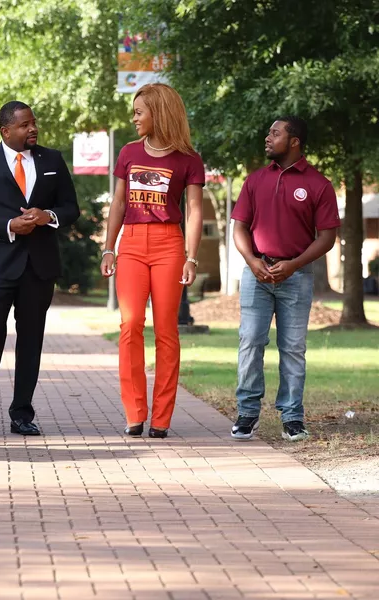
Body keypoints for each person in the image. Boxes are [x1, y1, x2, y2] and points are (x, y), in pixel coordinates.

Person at [0, 101, 80, 436]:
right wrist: (10, 225)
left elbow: (71, 208)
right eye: (25, 125)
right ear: (6, 131)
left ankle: (22, 415)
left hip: (39, 267)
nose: (33, 129)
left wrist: (49, 216)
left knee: (31, 341)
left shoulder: (52, 160)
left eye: (34, 123)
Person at [100, 83, 205, 439]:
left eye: (139, 112)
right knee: (130, 324)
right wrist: (108, 247)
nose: (134, 119)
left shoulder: (188, 158)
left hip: (169, 245)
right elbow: (118, 204)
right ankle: (134, 412)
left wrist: (192, 257)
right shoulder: (128, 152)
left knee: (166, 331)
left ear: (158, 114)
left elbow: (193, 210)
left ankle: (161, 418)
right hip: (131, 242)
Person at [230, 116, 340, 442]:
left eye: (275, 133)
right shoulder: (254, 181)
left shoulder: (319, 184)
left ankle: (292, 416)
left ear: (294, 142)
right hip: (256, 274)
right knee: (250, 341)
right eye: (268, 132)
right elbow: (239, 227)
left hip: (297, 276)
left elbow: (327, 237)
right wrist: (251, 261)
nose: (268, 137)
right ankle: (247, 413)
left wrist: (293, 264)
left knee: (292, 348)